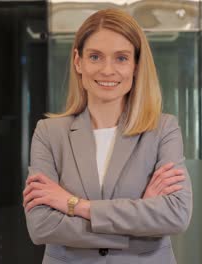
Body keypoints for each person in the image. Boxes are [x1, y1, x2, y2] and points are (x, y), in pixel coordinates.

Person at [22, 8, 192, 264]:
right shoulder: (49, 133)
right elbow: (42, 226)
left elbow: (176, 214)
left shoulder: (163, 130)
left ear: (136, 64)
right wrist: (140, 222)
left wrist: (76, 205)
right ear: (78, 61)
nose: (107, 70)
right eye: (95, 57)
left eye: (121, 58)